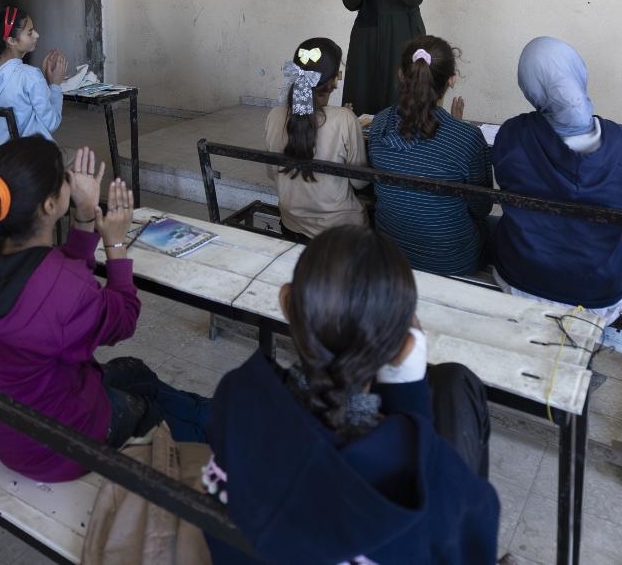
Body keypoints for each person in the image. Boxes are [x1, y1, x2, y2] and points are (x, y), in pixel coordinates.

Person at [201, 225, 498, 564]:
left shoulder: (238, 395)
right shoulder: (440, 483)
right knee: (458, 386)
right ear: (403, 341)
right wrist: (410, 389)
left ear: (286, 303)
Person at [0, 137, 209, 481]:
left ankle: (212, 413)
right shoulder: (60, 288)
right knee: (155, 406)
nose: (71, 180)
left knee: (133, 372)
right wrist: (115, 242)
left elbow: (63, 284)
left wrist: (85, 219)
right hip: (60, 448)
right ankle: (225, 435)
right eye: (64, 177)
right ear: (50, 205)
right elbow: (124, 319)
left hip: (13, 433)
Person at [491, 36, 622, 319]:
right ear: (578, 72)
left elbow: (504, 177)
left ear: (528, 85)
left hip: (521, 278)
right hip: (598, 292)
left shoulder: (512, 134)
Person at [366, 36, 493, 276]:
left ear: (401, 75)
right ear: (452, 80)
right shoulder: (467, 138)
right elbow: (481, 208)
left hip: (391, 252)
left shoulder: (380, 122)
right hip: (450, 262)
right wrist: (457, 128)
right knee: (495, 228)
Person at [263, 38, 368, 240]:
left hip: (291, 225)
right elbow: (360, 183)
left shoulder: (275, 115)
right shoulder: (345, 119)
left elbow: (272, 173)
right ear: (332, 83)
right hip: (340, 232)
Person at [0, 6, 66, 149]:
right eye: (30, 33)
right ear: (11, 40)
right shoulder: (29, 75)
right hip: (29, 158)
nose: (37, 35)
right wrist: (55, 85)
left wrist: (43, 82)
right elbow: (51, 123)